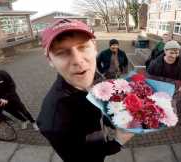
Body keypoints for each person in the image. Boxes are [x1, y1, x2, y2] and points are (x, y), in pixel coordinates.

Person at [37, 19, 134, 162]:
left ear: (95, 47)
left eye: (83, 47)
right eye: (62, 52)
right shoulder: (54, 123)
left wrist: (114, 118)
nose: (78, 60)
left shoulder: (96, 78)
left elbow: (101, 109)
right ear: (50, 60)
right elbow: (84, 158)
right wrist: (117, 143)